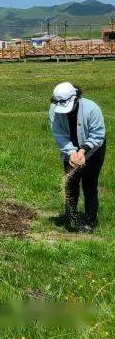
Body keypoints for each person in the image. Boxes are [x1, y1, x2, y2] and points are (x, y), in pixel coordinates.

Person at [49, 82, 106, 233]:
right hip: (70, 149)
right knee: (71, 183)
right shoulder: (54, 110)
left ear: (75, 98)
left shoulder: (92, 109)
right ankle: (70, 216)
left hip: (93, 147)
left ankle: (90, 221)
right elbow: (59, 134)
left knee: (89, 184)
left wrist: (83, 151)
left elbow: (98, 135)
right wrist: (71, 152)